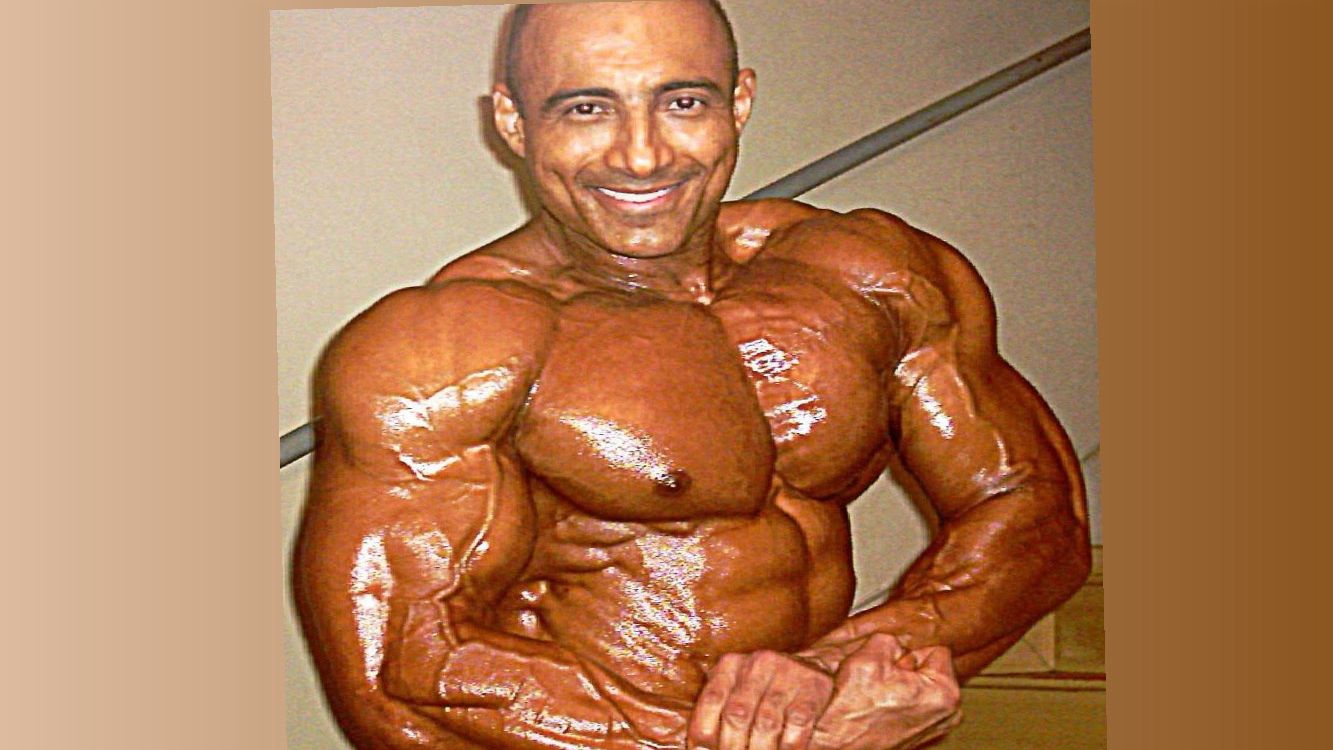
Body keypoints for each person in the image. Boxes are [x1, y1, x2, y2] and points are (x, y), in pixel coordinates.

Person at [292, 1, 1092, 748]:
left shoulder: (869, 274)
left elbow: (1032, 510)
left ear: (738, 102)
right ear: (512, 122)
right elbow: (403, 673)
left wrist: (851, 668)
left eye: (682, 102)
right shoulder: (445, 348)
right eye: (587, 109)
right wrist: (779, 740)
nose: (641, 155)